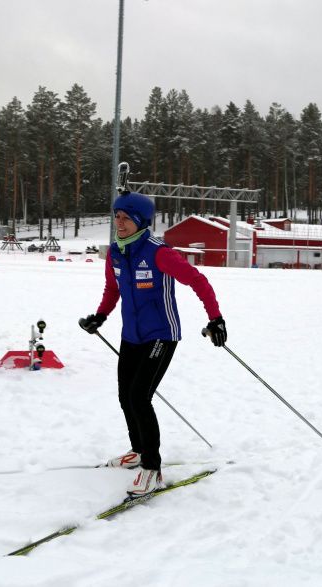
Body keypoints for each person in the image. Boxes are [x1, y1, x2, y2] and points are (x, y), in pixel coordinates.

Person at [81, 191, 227, 497]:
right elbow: (112, 288)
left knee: (139, 397)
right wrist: (100, 316)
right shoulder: (116, 253)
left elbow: (197, 280)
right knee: (125, 396)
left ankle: (152, 467)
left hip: (161, 334)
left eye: (125, 218)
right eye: (116, 216)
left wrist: (216, 319)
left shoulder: (159, 252)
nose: (118, 223)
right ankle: (138, 450)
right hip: (131, 335)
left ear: (141, 222)